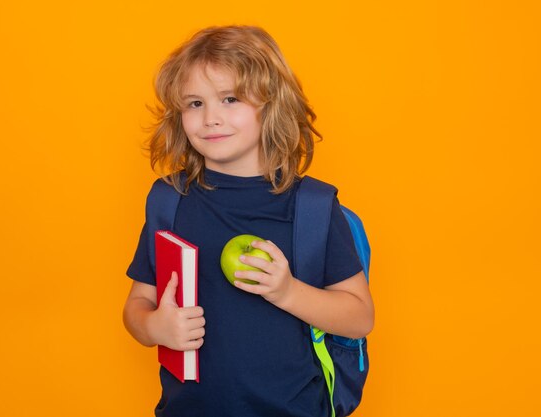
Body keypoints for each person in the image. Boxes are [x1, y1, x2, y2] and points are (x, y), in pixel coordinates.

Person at [123, 25, 374, 417]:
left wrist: (287, 291)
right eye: (194, 104)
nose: (210, 118)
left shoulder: (313, 207)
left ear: (271, 106)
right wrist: (154, 327)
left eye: (229, 99)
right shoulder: (169, 200)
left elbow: (360, 318)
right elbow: (138, 304)